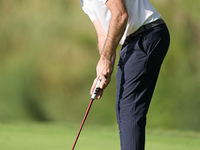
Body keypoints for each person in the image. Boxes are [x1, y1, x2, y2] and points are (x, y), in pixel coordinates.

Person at [79, 0, 170, 150]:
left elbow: (121, 15)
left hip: (147, 34)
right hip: (134, 41)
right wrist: (103, 72)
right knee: (123, 109)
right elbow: (104, 36)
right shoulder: (84, 3)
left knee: (130, 111)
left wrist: (106, 59)